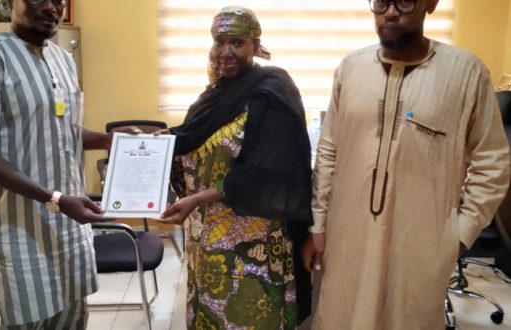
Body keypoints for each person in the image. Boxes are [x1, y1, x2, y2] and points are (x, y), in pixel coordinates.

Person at [301, 0, 511, 328]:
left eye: (405, 0)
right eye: (381, 1)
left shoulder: (465, 74)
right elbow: (329, 153)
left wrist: (459, 234)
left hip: (420, 247)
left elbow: (493, 163)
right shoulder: (350, 69)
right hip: (347, 240)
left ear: (431, 3)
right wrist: (317, 225)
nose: (391, 11)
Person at [0, 0, 140, 328]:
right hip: (20, 236)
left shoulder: (63, 60)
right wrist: (54, 199)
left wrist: (106, 139)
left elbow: (61, 128)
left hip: (70, 230)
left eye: (58, 1)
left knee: (73, 322)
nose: (51, 7)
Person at [158, 6, 313, 329]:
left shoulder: (272, 90)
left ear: (256, 46)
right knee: (209, 312)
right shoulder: (214, 94)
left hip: (253, 245)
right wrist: (160, 141)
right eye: (219, 42)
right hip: (206, 240)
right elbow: (194, 137)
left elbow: (267, 171)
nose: (225, 52)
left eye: (237, 43)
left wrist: (197, 199)